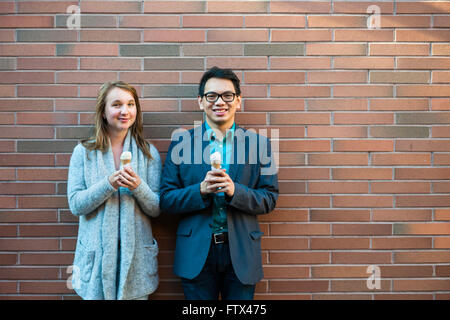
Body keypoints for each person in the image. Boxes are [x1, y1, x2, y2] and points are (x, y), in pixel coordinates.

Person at [160, 66, 279, 300]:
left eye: (227, 95)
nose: (219, 102)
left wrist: (236, 191)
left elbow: (269, 198)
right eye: (211, 96)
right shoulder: (181, 143)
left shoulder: (260, 144)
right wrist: (200, 191)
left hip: (242, 252)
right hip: (196, 254)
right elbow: (166, 199)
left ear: (238, 101)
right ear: (200, 102)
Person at [67, 80, 161, 300]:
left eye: (130, 104)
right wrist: (108, 184)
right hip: (96, 262)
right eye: (116, 104)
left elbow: (157, 208)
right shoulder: (83, 152)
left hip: (136, 263)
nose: (124, 111)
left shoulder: (149, 154)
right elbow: (76, 204)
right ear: (103, 111)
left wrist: (138, 187)